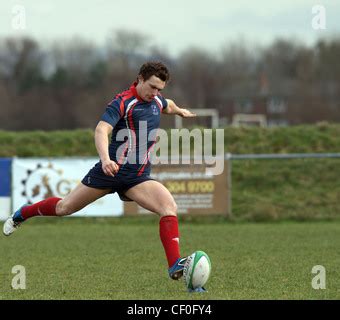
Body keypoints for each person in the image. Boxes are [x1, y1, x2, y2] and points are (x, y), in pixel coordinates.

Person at [3, 61, 196, 281]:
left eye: (160, 89)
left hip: (137, 178)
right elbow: (101, 130)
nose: (155, 93)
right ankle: (23, 213)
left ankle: (174, 266)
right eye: (152, 87)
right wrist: (105, 160)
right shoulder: (122, 102)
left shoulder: (156, 100)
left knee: (168, 207)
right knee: (64, 207)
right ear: (140, 79)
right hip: (109, 172)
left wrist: (179, 111)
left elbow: (167, 104)